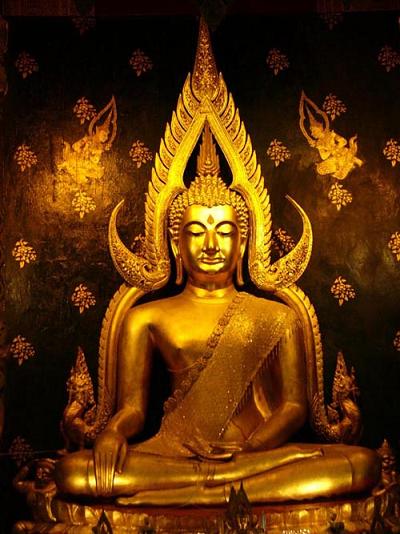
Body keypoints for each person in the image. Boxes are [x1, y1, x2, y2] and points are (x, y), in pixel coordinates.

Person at [55, 130, 380, 506]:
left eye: (224, 232)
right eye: (196, 232)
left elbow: (294, 407)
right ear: (176, 244)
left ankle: (202, 488)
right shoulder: (144, 318)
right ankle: (218, 487)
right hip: (174, 454)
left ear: (242, 244)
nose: (211, 245)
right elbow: (134, 409)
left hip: (255, 456)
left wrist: (251, 448)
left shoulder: (279, 317)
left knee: (360, 463)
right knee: (74, 471)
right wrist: (113, 432)